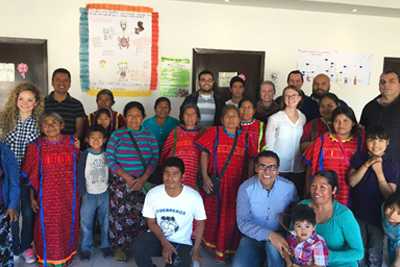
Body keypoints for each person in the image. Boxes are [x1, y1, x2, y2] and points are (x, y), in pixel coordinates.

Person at [196, 105, 257, 261]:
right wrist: (205, 177)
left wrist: (249, 182)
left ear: (239, 120)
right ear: (222, 119)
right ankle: (210, 247)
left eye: (234, 116)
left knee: (231, 217)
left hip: (236, 186)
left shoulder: (245, 137)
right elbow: (204, 154)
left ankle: (227, 250)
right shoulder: (213, 132)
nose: (231, 119)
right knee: (212, 215)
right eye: (227, 116)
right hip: (216, 183)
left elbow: (250, 161)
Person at [22, 112, 80, 267]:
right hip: (46, 197)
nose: (50, 126)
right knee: (46, 227)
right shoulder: (36, 146)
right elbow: (31, 176)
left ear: (62, 125)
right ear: (41, 128)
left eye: (54, 122)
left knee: (66, 225)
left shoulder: (72, 142)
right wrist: (32, 197)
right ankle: (47, 259)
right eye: (45, 124)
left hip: (69, 195)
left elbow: (81, 165)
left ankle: (65, 257)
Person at [105, 101, 159, 261]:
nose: (134, 119)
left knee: (141, 217)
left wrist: (143, 179)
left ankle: (138, 248)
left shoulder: (149, 135)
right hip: (121, 183)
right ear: (124, 117)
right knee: (119, 217)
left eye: (137, 116)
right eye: (130, 116)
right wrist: (127, 177)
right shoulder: (117, 135)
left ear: (143, 118)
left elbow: (155, 158)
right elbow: (109, 158)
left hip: (142, 184)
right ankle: (119, 248)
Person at [133, 157, 206, 267]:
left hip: (182, 242)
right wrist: (164, 242)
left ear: (183, 176)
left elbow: (201, 223)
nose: (170, 178)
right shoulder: (153, 194)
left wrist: (195, 250)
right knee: (139, 246)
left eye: (175, 174)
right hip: (159, 238)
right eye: (166, 173)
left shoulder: (194, 197)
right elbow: (151, 222)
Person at [0, 82, 43, 263]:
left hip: (27, 176)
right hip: (8, 176)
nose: (25, 103)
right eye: (21, 99)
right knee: (12, 211)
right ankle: (14, 244)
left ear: (35, 103)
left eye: (29, 100)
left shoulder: (39, 124)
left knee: (27, 212)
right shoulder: (5, 120)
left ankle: (26, 246)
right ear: (16, 100)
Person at [232, 150, 298, 267]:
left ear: (278, 170)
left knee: (273, 252)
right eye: (262, 166)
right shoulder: (245, 188)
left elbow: (296, 217)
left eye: (272, 167)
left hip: (280, 236)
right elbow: (243, 222)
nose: (267, 171)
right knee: (238, 265)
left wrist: (289, 238)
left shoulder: (289, 188)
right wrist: (269, 235)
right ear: (256, 168)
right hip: (253, 237)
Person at [348, 126, 398, 267]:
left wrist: (379, 172)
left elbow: (389, 194)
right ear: (366, 141)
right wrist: (366, 164)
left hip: (379, 217)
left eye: (381, 140)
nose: (376, 144)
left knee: (375, 253)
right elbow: (352, 182)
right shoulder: (359, 157)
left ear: (387, 142)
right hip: (357, 212)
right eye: (372, 139)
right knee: (359, 252)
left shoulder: (391, 164)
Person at [301, 170, 364, 267]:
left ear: (334, 190)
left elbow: (358, 253)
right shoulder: (303, 206)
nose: (317, 191)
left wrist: (326, 256)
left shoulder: (344, 215)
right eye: (313, 186)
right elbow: (293, 235)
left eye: (323, 187)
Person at [304, 106, 364, 205]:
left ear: (353, 123)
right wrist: (308, 190)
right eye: (337, 121)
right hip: (323, 191)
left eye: (345, 120)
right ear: (332, 123)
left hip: (351, 193)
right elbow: (310, 167)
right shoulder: (322, 141)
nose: (341, 124)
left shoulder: (359, 143)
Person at [77, 126, 112, 260]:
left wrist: (110, 187)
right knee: (86, 222)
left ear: (104, 140)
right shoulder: (85, 154)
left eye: (99, 138)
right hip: (88, 194)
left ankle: (105, 245)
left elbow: (111, 170)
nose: (96, 140)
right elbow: (80, 173)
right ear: (87, 140)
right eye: (93, 138)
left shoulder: (107, 154)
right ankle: (86, 247)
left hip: (104, 193)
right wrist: (82, 192)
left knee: (105, 221)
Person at [265, 86, 306, 197]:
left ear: (299, 98)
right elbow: (269, 146)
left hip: (298, 167)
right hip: (280, 168)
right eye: (287, 96)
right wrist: (272, 167)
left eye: (293, 95)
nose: (290, 98)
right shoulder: (275, 118)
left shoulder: (303, 117)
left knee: (295, 199)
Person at [360, 70, 400, 161]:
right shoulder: (369, 107)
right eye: (382, 82)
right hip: (370, 161)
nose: (386, 85)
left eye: (391, 81)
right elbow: (362, 133)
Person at [160, 104, 201, 189]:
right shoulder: (175, 132)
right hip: (175, 176)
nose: (190, 116)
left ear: (198, 117)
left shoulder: (203, 133)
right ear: (182, 117)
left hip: (195, 176)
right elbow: (165, 153)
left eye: (193, 114)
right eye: (186, 114)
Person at [44, 68, 86, 137]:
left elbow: (79, 133)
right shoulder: (43, 102)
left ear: (69, 83)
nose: (61, 83)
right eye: (58, 80)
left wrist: (65, 145)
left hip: (69, 145)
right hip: (45, 145)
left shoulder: (77, 105)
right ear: (52, 82)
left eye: (65, 80)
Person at [0, 141, 20, 267]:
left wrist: (12, 205)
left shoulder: (4, 151)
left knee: (3, 246)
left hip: (1, 207)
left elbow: (14, 180)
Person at [382, 191, 400, 266]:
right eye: (391, 208)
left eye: (399, 213)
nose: (392, 215)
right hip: (389, 244)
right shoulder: (383, 207)